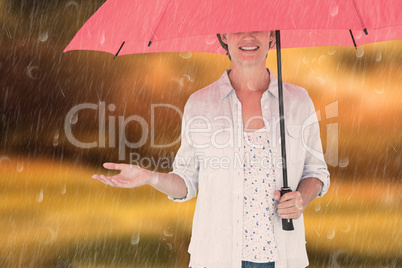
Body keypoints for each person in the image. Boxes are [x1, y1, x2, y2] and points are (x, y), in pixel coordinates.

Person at [92, 31, 330, 268]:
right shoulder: (200, 104)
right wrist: (150, 177)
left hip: (282, 257)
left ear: (273, 37)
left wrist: (301, 199)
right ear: (224, 36)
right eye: (238, 28)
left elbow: (316, 172)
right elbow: (187, 181)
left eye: (258, 27)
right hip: (216, 256)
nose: (248, 37)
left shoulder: (298, 101)